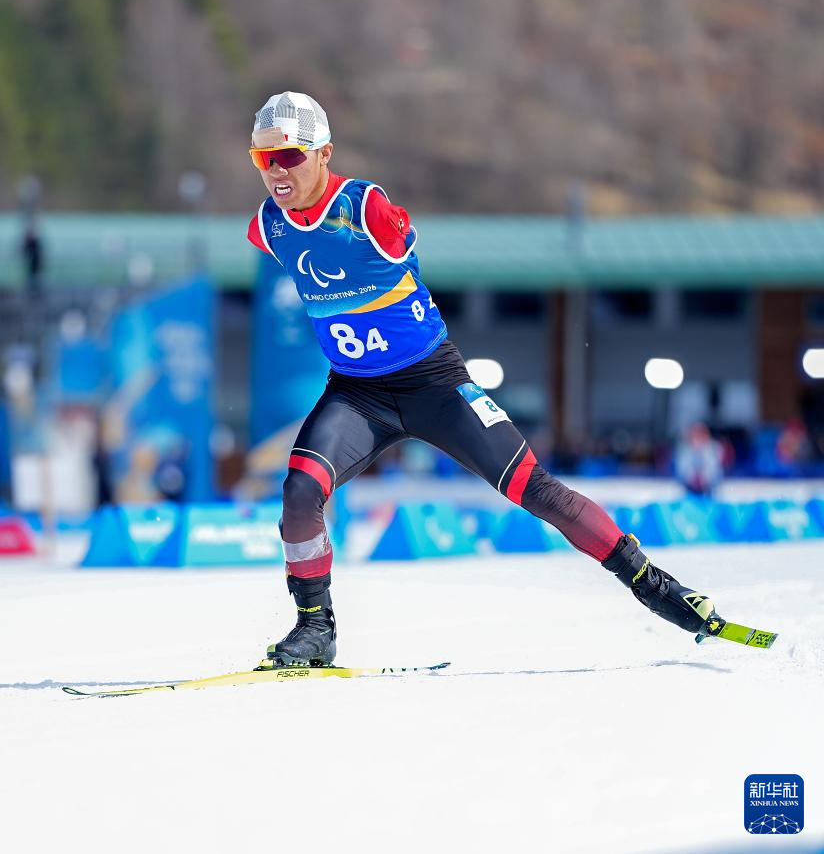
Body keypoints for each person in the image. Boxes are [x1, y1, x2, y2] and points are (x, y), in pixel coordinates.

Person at [246, 91, 718, 667]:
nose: (276, 171)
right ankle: (314, 628)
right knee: (300, 492)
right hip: (357, 393)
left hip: (434, 384)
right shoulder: (268, 225)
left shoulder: (364, 207)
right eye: (263, 158)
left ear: (324, 153)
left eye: (290, 156)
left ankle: (654, 584)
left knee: (536, 490)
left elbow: (397, 240)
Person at [674, 422, 725, 498]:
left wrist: (703, 479)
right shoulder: (683, 450)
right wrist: (692, 479)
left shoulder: (714, 449)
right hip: (688, 489)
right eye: (696, 434)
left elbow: (715, 470)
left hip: (710, 490)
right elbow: (681, 470)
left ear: (707, 436)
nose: (698, 437)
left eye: (701, 434)